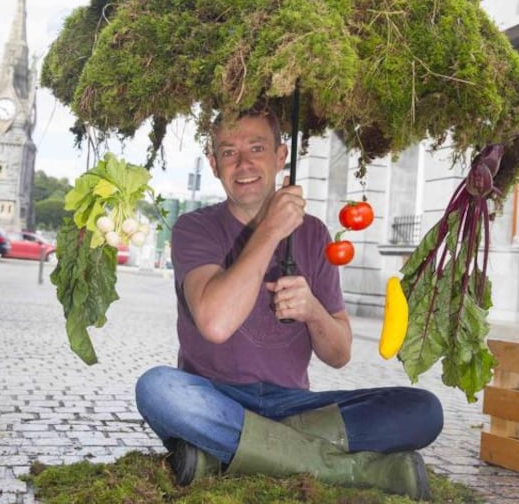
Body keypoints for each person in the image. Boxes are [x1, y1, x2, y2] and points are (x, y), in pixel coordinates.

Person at [135, 108, 443, 499]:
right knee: (159, 389)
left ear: (281, 157)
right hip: (214, 398)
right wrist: (271, 230)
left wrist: (313, 310)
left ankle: (226, 455)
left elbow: (340, 353)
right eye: (229, 152)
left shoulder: (314, 234)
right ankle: (343, 467)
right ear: (213, 165)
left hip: (295, 405)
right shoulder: (194, 229)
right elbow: (215, 323)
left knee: (422, 409)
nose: (243, 163)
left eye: (257, 148)